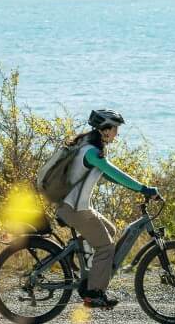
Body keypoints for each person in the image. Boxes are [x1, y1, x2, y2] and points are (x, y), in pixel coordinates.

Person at [51, 107, 160, 310]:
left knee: (109, 230)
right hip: (75, 209)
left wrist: (134, 187)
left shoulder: (87, 145)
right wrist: (144, 188)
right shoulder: (92, 151)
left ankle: (88, 276)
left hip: (74, 206)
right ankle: (94, 293)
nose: (117, 133)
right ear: (105, 129)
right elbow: (111, 170)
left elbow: (108, 175)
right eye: (115, 129)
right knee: (106, 247)